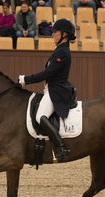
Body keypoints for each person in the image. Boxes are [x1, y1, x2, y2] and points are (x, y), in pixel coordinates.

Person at [17, 18, 76, 160]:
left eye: (55, 31)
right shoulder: (59, 50)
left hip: (57, 90)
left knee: (39, 116)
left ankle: (60, 148)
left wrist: (26, 79)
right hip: (51, 88)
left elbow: (48, 74)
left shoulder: (62, 52)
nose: (52, 34)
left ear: (64, 34)